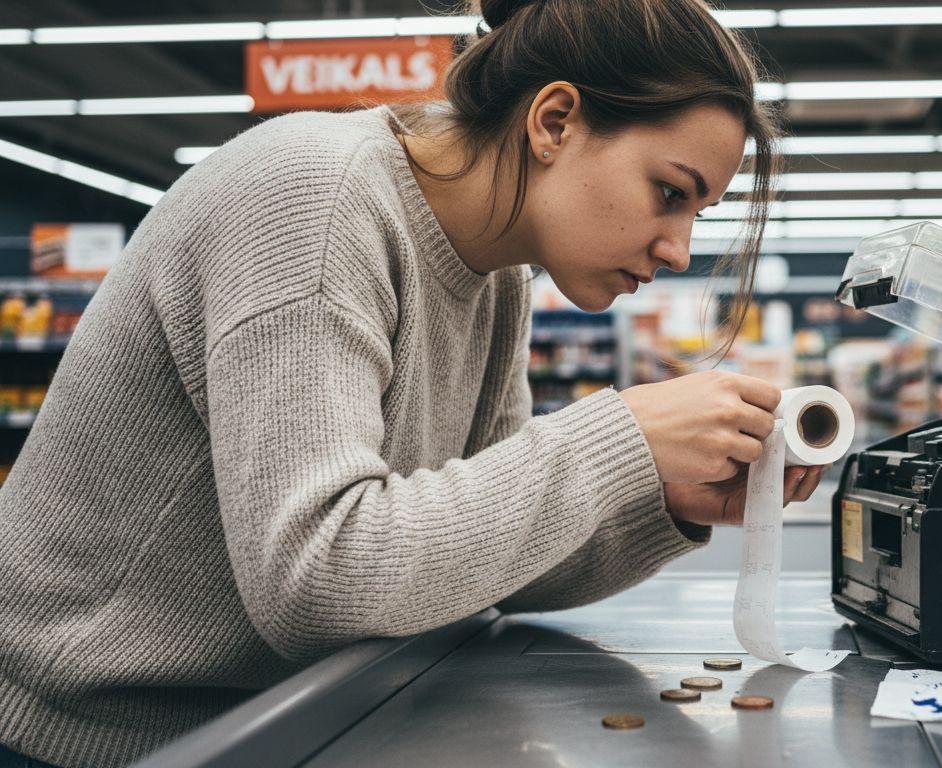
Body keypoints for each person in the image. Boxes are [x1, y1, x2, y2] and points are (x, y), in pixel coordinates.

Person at [0, 1, 828, 766]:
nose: (678, 248)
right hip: (91, 737)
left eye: (696, 213)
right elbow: (317, 578)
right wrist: (619, 438)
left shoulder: (494, 275)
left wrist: (659, 494)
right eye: (669, 193)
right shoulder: (312, 197)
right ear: (556, 120)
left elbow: (483, 563)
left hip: (277, 719)